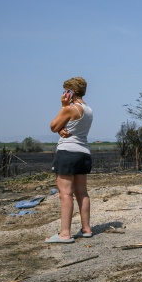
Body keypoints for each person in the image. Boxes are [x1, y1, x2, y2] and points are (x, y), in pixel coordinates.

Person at [46, 77, 94, 244]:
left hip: (67, 152)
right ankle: (86, 229)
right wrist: (61, 130)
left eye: (65, 90)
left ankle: (65, 233)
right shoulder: (88, 109)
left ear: (70, 92)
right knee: (82, 192)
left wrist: (63, 106)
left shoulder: (70, 109)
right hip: (84, 153)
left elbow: (53, 126)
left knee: (65, 193)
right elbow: (69, 128)